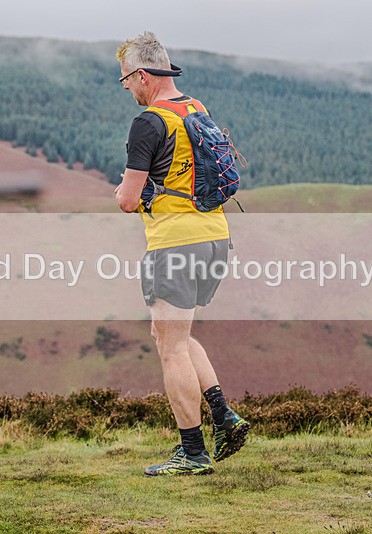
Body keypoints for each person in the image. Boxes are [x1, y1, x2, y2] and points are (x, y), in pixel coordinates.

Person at [114, 31, 249, 476]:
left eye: (126, 80)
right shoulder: (196, 109)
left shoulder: (149, 122)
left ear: (141, 75)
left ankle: (192, 453)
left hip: (175, 243)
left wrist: (123, 188)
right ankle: (224, 417)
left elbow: (129, 200)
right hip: (214, 236)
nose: (128, 89)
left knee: (170, 348)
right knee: (175, 335)